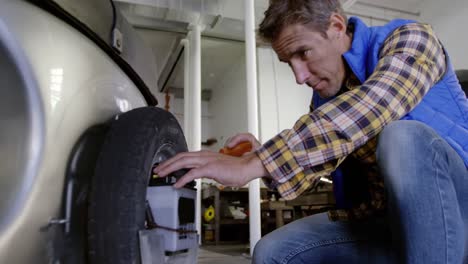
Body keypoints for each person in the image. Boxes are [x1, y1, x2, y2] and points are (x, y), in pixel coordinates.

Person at [154, 0, 468, 262]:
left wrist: (259, 161)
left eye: (303, 53)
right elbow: (316, 163)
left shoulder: (410, 38)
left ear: (336, 26)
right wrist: (262, 156)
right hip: (383, 221)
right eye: (287, 62)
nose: (299, 76)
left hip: (457, 210)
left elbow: (377, 104)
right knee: (272, 252)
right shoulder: (325, 101)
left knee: (402, 137)